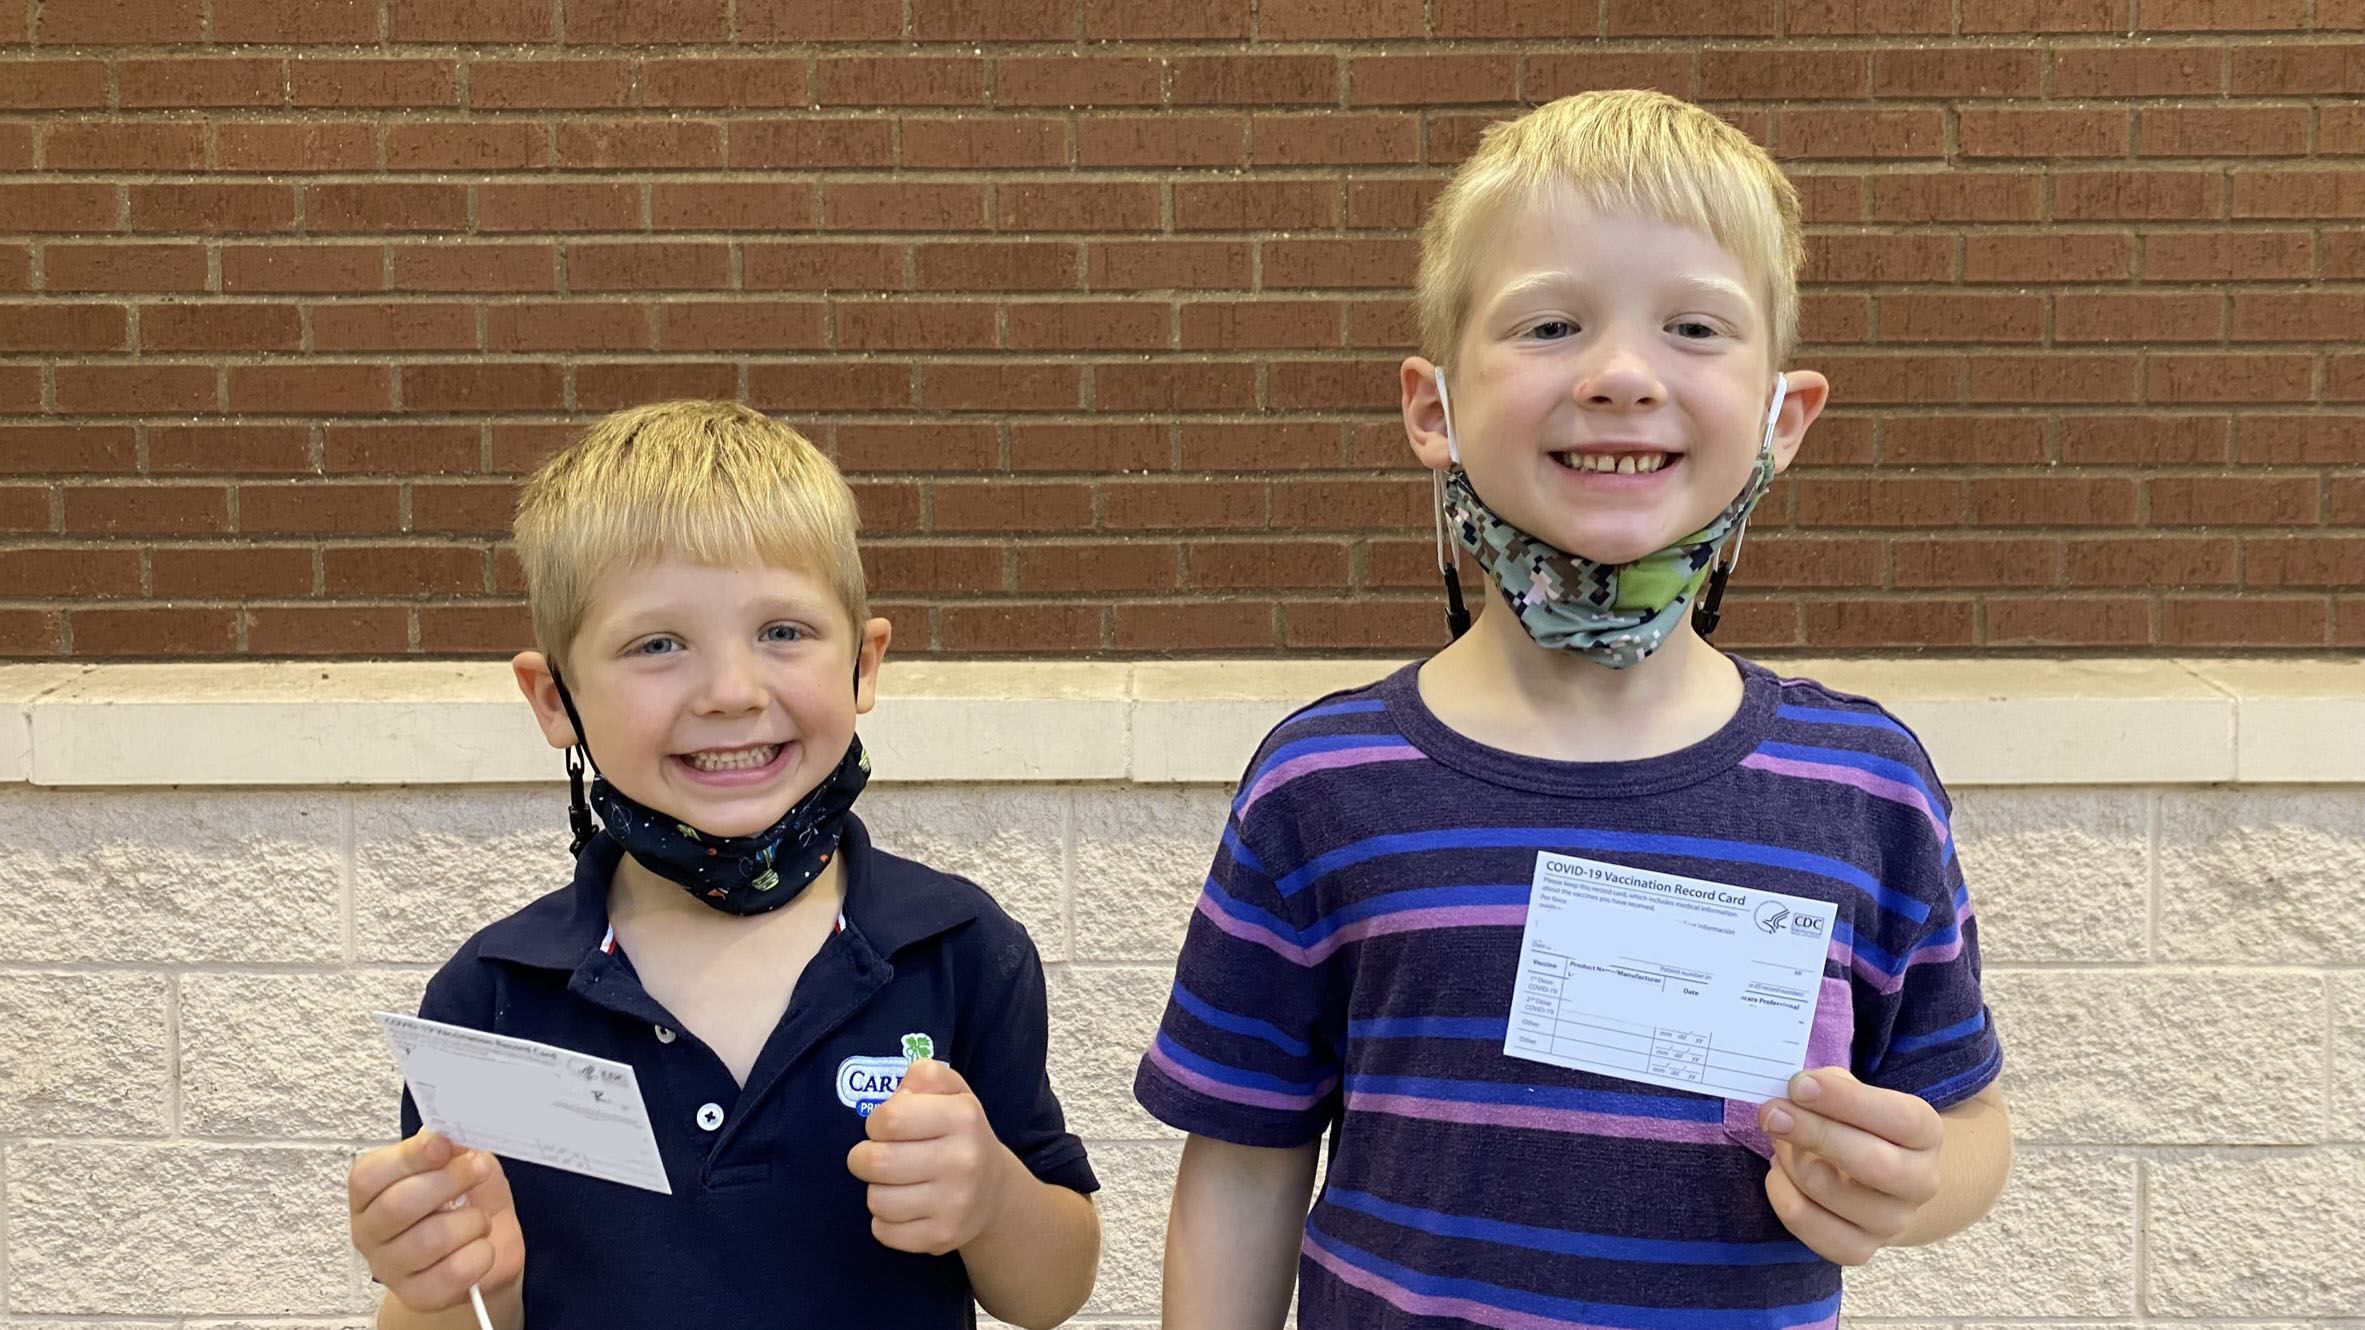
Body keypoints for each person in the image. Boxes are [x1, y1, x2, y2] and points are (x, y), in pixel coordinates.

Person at [1137, 89, 2011, 1330]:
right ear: (1433, 409)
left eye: (1693, 327)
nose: (1619, 376)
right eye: (1551, 324)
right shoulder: (1321, 782)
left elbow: (1967, 1115)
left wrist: (1915, 1180)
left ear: (1783, 417)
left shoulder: (1864, 786)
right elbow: (1243, 1160)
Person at [346, 400, 1100, 1329]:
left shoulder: (956, 948)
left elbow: (1051, 1292)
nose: (731, 693)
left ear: (864, 664)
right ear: (554, 700)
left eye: (782, 631)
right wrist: (466, 1288)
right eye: (657, 644)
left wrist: (992, 1201)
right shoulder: (494, 995)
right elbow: (434, 1305)